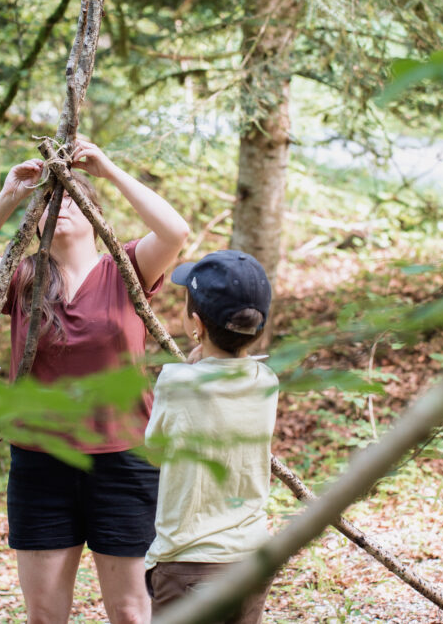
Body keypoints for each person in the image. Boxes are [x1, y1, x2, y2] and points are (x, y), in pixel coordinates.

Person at [0, 138, 189, 624]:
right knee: (44, 615)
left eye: (72, 198)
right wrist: (10, 195)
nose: (60, 209)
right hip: (41, 465)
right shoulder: (23, 278)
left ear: (95, 212)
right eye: (50, 202)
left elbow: (175, 230)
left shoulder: (127, 266)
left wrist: (108, 169)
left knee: (131, 612)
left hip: (125, 460)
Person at [144, 250, 279, 623]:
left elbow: (155, 451)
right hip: (250, 557)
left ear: (197, 325)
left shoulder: (176, 382)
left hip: (190, 560)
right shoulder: (266, 380)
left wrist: (188, 370)